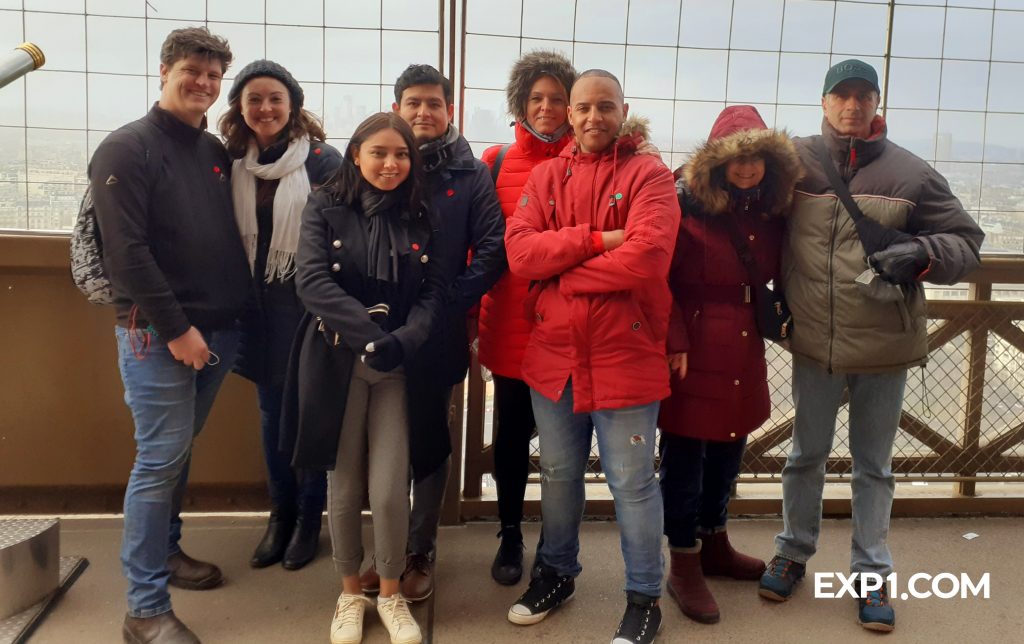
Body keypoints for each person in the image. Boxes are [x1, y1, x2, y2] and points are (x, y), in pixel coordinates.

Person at [757, 59, 985, 633]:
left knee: (873, 467)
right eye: (842, 95)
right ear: (824, 102)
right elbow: (737, 192)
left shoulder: (913, 174)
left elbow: (967, 242)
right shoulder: (794, 161)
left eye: (864, 96)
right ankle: (793, 552)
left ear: (877, 103)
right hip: (813, 341)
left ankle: (871, 573)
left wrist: (924, 254)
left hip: (884, 342)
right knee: (804, 457)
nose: (853, 106)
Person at [503, 69, 680, 644]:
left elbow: (648, 258)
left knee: (632, 482)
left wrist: (568, 277)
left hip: (625, 354)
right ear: (570, 115)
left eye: (606, 106)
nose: (592, 118)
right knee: (556, 474)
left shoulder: (649, 174)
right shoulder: (547, 175)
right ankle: (556, 572)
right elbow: (522, 255)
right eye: (583, 108)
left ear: (623, 110)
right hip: (554, 357)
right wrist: (599, 240)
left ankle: (645, 596)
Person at [89, 27, 248, 644]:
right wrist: (178, 329)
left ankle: (168, 553)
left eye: (213, 76)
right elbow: (126, 255)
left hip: (217, 334)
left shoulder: (210, 149)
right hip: (158, 337)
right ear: (163, 71)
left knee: (176, 454)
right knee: (158, 463)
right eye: (192, 72)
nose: (203, 84)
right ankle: (144, 609)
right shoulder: (127, 149)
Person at [286, 112, 443, 644]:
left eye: (401, 155)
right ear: (356, 154)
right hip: (339, 360)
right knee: (346, 481)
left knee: (392, 483)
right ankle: (351, 591)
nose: (390, 164)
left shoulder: (420, 213)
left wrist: (404, 340)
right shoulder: (326, 206)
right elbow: (312, 282)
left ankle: (392, 593)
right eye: (378, 152)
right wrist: (372, 336)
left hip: (399, 368)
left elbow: (431, 293)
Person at [359, 64, 506, 602]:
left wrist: (450, 303)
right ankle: (386, 550)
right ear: (397, 106)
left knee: (426, 439)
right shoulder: (381, 161)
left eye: (434, 103)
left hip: (436, 332)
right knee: (377, 444)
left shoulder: (470, 174)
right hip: (374, 330)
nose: (424, 112)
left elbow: (493, 248)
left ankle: (419, 549)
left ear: (451, 110)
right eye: (413, 102)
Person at [658, 105, 802, 624]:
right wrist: (674, 338)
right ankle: (683, 563)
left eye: (757, 158)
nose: (746, 168)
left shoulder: (770, 209)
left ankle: (714, 540)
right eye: (736, 159)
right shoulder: (684, 202)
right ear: (716, 161)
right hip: (692, 343)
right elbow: (660, 277)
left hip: (743, 342)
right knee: (685, 456)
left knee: (728, 448)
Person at [217, 60, 341, 571]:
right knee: (271, 416)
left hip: (309, 312)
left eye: (275, 98)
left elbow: (343, 235)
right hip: (255, 312)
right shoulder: (230, 161)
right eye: (254, 99)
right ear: (240, 108)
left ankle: (311, 518)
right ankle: (280, 514)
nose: (265, 108)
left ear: (293, 105)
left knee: (310, 416)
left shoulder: (321, 161)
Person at [478, 49, 577, 586]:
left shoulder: (587, 160)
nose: (546, 107)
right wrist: (471, 319)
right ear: (520, 102)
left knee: (563, 452)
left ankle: (557, 545)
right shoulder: (495, 161)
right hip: (511, 324)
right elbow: (479, 248)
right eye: (536, 98)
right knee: (512, 439)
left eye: (558, 98)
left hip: (566, 328)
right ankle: (511, 532)